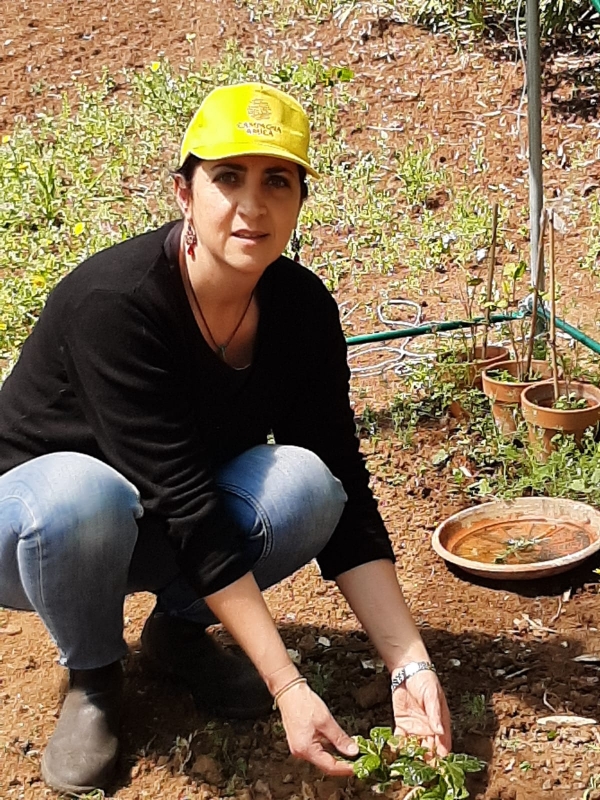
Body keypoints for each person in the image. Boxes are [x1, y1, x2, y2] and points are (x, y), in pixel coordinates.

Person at [0, 82, 451, 794]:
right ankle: (92, 675)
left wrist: (410, 662)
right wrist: (288, 685)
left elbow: (344, 483)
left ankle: (177, 634)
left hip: (165, 523)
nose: (252, 204)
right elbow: (182, 498)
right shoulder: (115, 306)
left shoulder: (299, 309)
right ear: (184, 192)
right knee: (82, 495)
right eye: (227, 177)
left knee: (308, 485)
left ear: (301, 200)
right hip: (37, 536)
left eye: (277, 181)